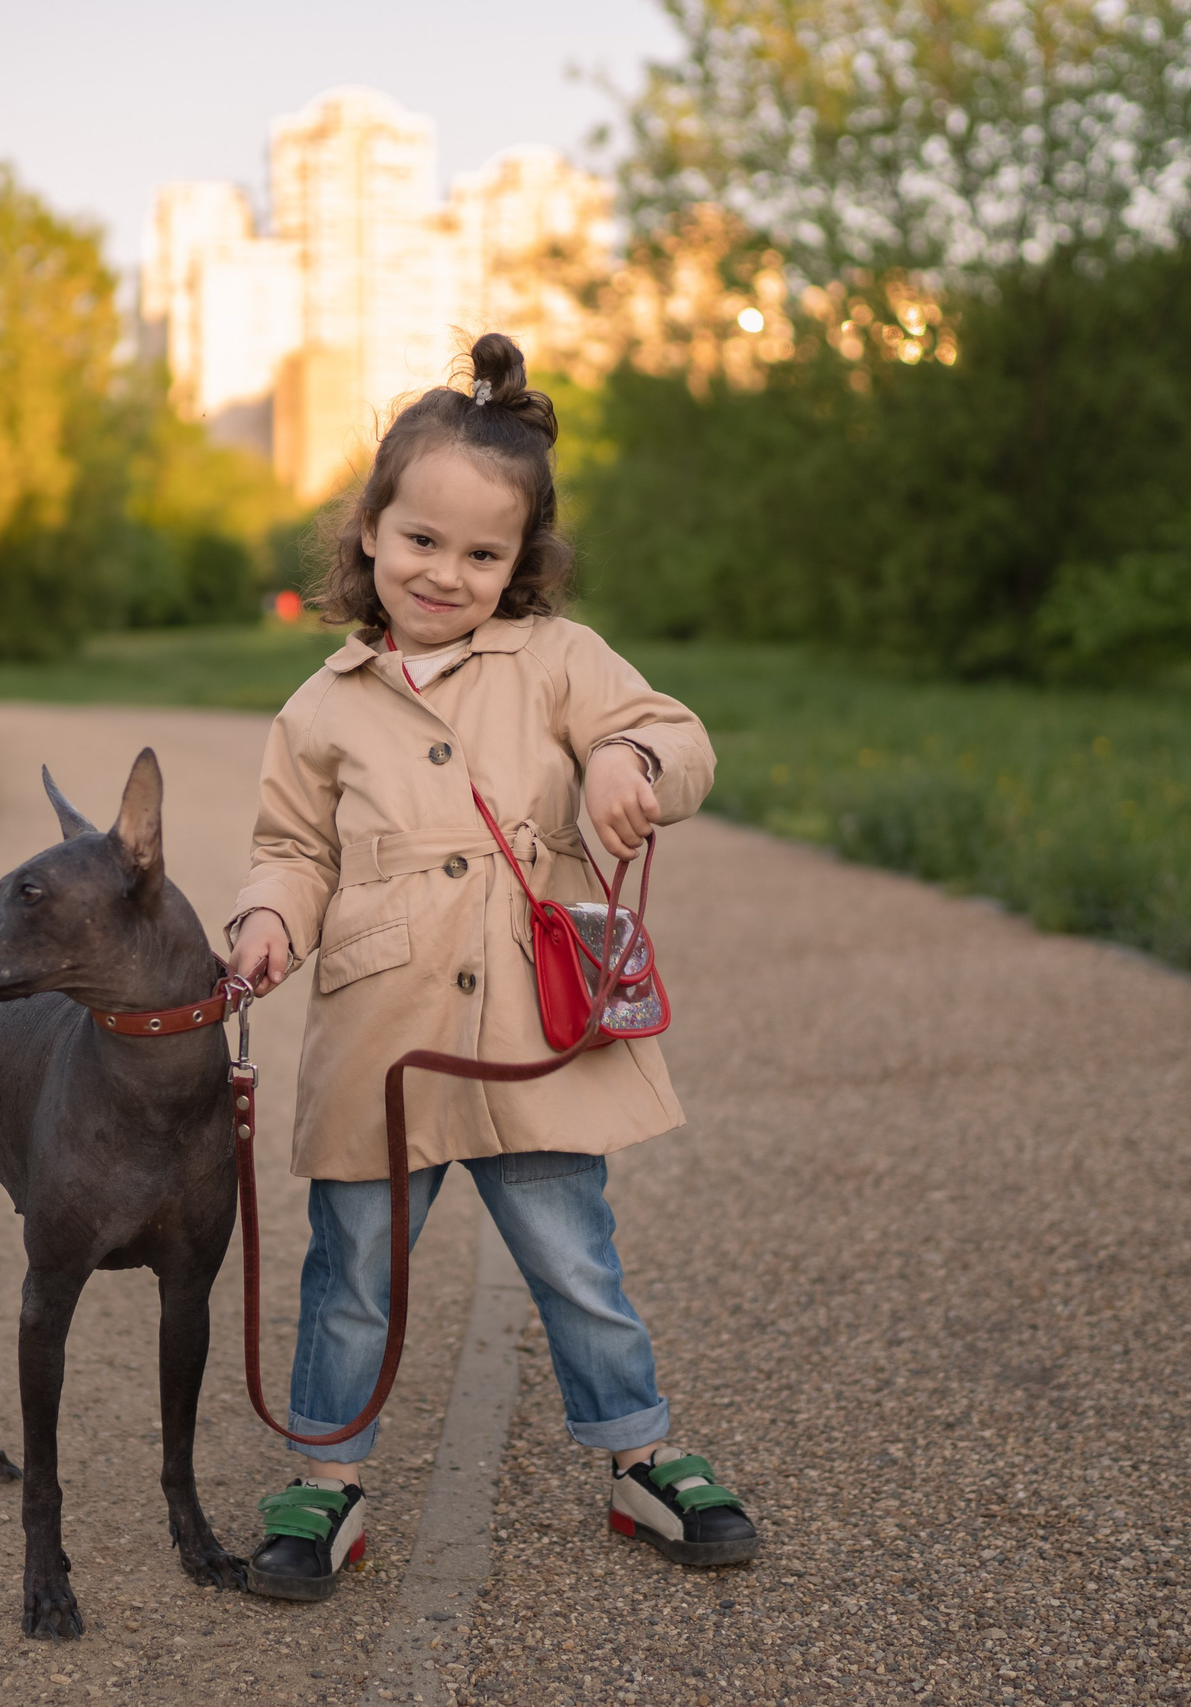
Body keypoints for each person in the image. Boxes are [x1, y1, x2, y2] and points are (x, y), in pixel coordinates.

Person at [224, 333, 758, 1602]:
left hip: (535, 1036)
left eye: (481, 555)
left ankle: (638, 1453)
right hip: (383, 1042)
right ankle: (326, 1475)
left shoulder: (560, 660)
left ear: (522, 564)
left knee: (576, 1260)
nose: (444, 573)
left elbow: (672, 733)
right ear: (369, 530)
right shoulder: (321, 707)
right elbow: (291, 850)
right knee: (351, 1272)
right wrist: (268, 920)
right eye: (420, 540)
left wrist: (628, 761)